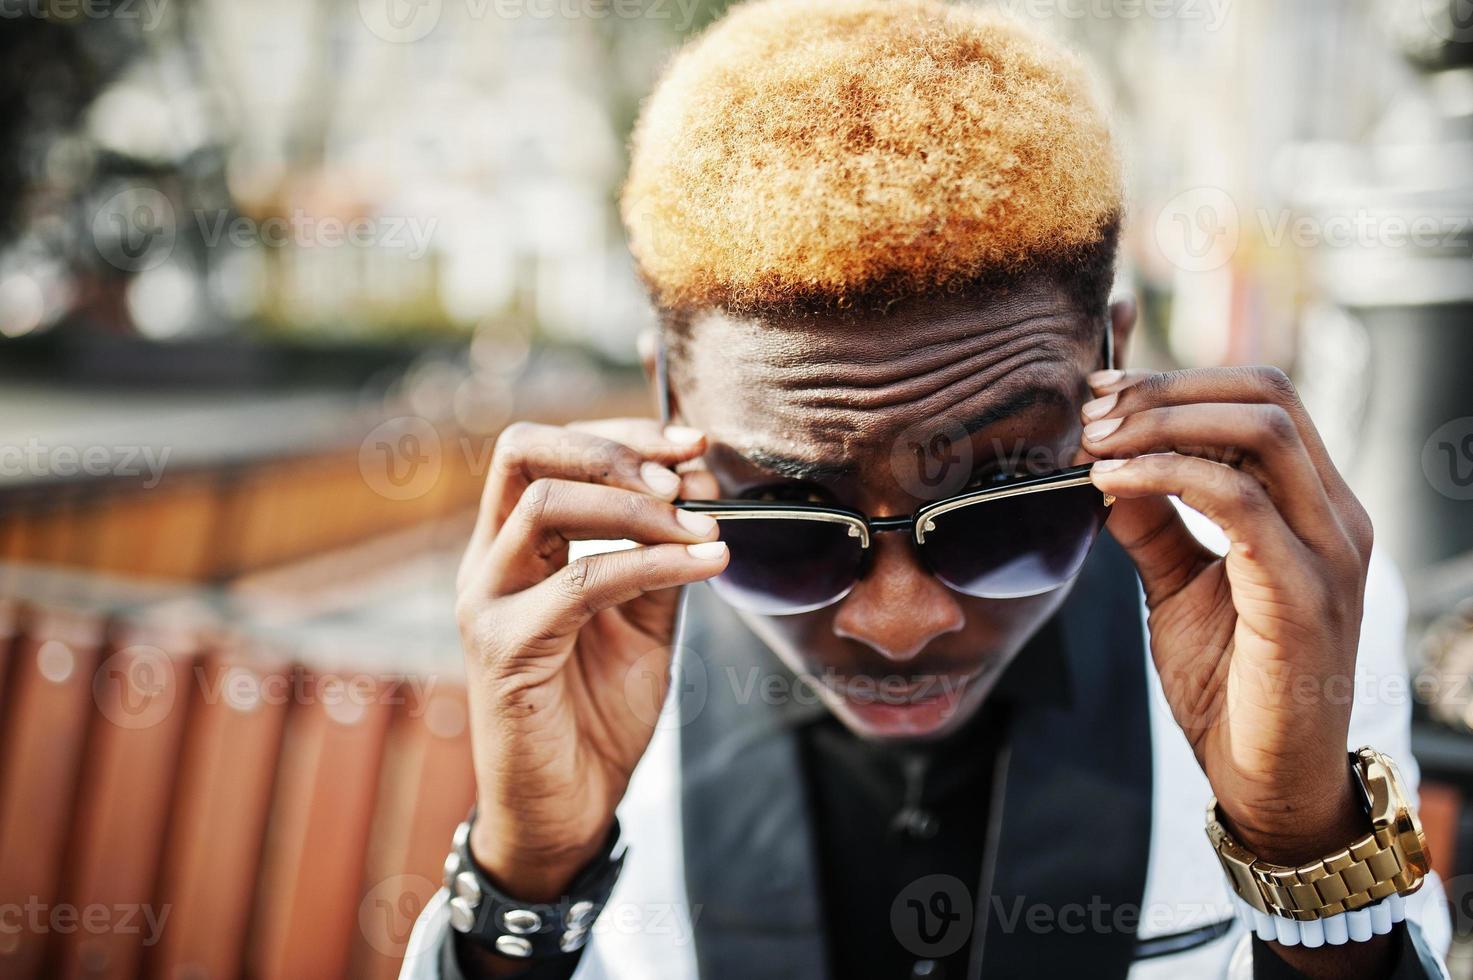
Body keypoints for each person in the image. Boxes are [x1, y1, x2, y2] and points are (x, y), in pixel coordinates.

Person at [405, 1, 1452, 976]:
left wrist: (1300, 834)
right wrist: (530, 873)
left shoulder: (1277, 604)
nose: (900, 623)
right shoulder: (581, 635)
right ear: (666, 399)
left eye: (1005, 505)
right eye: (790, 519)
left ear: (1112, 362)